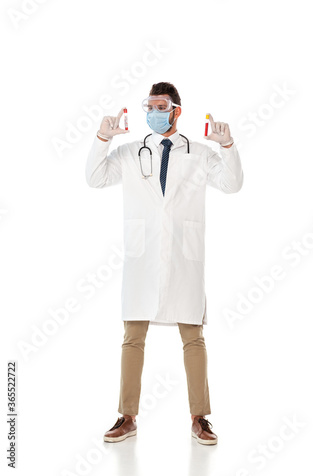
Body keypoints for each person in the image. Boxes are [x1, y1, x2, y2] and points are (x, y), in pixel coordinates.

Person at [85, 82, 244, 445]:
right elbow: (93, 179)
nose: (153, 114)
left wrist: (228, 146)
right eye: (149, 107)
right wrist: (102, 138)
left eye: (160, 107)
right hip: (142, 259)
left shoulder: (200, 154)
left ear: (176, 111)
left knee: (193, 336)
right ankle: (127, 416)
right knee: (133, 337)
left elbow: (233, 184)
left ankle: (200, 418)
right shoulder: (129, 153)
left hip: (183, 257)